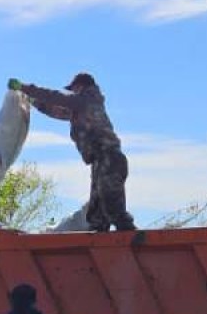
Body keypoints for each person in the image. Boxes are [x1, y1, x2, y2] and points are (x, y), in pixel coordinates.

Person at [11, 73, 136, 232]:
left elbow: (57, 98)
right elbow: (56, 110)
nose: (72, 92)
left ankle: (131, 237)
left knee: (112, 204)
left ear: (81, 86)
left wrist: (25, 88)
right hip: (101, 161)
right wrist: (33, 101)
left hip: (109, 158)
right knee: (97, 213)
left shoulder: (87, 100)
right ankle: (101, 243)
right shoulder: (79, 108)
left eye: (74, 89)